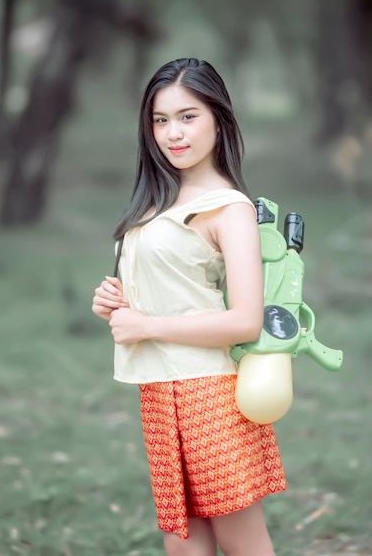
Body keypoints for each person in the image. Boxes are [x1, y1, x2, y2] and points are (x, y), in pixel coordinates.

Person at [92, 58, 287, 556]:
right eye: (160, 120)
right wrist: (115, 303)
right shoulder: (158, 202)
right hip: (160, 389)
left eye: (188, 116)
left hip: (211, 392)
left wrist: (146, 325)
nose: (172, 134)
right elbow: (168, 288)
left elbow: (245, 319)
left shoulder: (230, 208)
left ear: (218, 119)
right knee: (183, 541)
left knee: (239, 539)